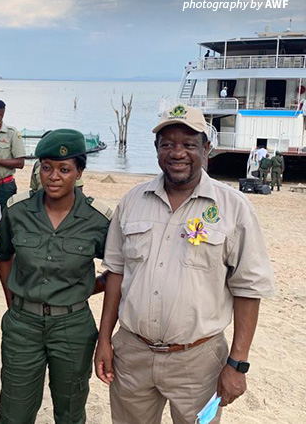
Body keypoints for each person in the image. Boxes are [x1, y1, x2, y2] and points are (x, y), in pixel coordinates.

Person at [94, 104, 275, 424]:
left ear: (206, 149)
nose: (178, 153)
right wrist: (105, 339)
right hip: (132, 353)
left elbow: (249, 288)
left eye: (189, 144)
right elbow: (116, 274)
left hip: (199, 361)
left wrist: (238, 364)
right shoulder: (132, 202)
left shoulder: (234, 208)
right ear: (156, 149)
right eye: (168, 144)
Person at [0, 129, 113, 424]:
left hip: (73, 327)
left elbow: (117, 271)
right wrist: (16, 304)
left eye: (64, 169)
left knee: (71, 411)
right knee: (14, 412)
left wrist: (85, 288)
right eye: (46, 167)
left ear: (79, 172)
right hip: (23, 325)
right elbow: (5, 257)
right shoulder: (17, 211)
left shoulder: (98, 219)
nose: (54, 176)